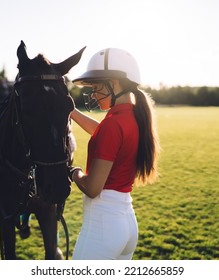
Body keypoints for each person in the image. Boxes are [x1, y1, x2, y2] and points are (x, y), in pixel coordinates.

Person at [68, 48, 160, 259]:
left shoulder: (113, 124)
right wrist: (72, 112)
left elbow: (92, 188)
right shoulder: (133, 117)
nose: (93, 93)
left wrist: (74, 172)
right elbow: (104, 135)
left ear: (115, 83)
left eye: (97, 86)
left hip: (102, 228)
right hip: (126, 224)